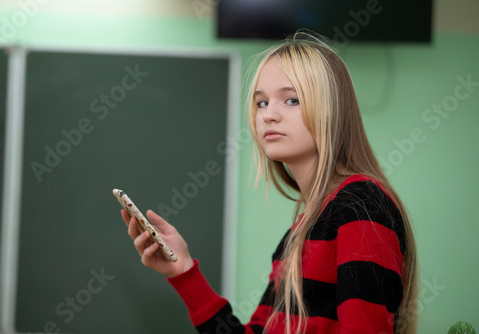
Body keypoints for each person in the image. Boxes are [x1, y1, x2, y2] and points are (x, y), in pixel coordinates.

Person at [121, 31, 419, 334]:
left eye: (291, 100)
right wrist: (183, 270)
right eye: (261, 103)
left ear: (332, 109)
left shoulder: (361, 205)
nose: (269, 116)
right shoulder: (299, 233)